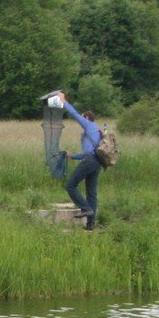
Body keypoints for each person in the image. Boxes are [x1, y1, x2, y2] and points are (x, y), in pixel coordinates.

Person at [59, 93, 103, 230]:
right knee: (92, 194)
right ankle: (90, 225)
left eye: (84, 117)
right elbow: (89, 152)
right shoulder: (97, 130)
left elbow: (74, 114)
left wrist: (64, 101)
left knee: (70, 186)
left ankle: (85, 208)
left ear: (87, 118)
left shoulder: (89, 125)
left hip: (89, 161)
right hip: (97, 163)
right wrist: (73, 156)